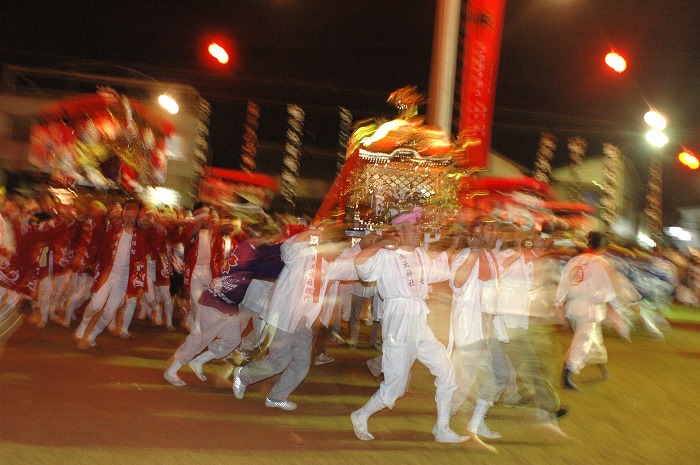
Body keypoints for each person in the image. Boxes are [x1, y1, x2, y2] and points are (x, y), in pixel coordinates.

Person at [349, 208, 467, 444]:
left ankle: (442, 427)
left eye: (420, 228)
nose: (419, 232)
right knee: (395, 389)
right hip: (399, 323)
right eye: (414, 229)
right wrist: (383, 240)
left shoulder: (422, 255)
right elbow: (360, 265)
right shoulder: (386, 257)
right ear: (400, 232)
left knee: (446, 370)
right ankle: (360, 415)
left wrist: (455, 247)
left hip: (420, 322)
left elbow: (442, 269)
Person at [232, 224, 362, 410]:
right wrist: (310, 232)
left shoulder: (331, 265)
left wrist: (367, 246)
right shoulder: (303, 255)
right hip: (283, 317)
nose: (340, 253)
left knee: (302, 362)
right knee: (279, 362)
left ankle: (276, 397)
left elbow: (353, 266)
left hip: (304, 321)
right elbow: (287, 248)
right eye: (339, 248)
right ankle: (244, 375)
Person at [555, 231, 618, 390]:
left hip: (574, 308)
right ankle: (567, 374)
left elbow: (564, 283)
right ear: (603, 247)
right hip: (590, 309)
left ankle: (603, 369)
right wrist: (616, 308)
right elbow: (609, 289)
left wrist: (559, 303)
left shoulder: (575, 261)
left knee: (593, 340)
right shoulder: (602, 263)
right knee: (583, 341)